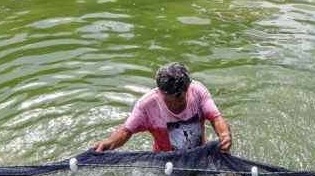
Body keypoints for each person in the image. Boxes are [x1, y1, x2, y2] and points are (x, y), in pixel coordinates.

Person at [93, 62, 233, 153]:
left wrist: (225, 135)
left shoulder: (198, 91)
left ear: (187, 88)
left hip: (199, 154)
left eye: (179, 100)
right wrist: (109, 142)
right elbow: (126, 131)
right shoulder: (146, 105)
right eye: (168, 100)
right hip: (165, 162)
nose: (174, 105)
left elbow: (216, 118)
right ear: (160, 91)